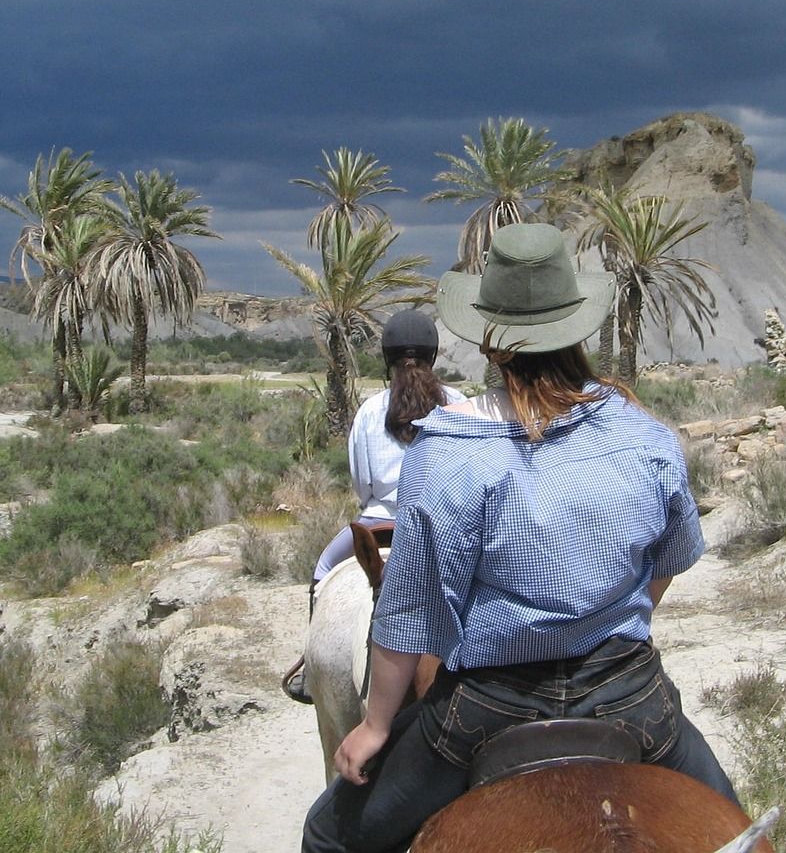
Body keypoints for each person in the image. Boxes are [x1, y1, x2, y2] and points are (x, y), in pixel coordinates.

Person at [302, 223, 737, 853]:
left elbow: (409, 614)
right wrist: (602, 619)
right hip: (630, 693)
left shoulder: (445, 451)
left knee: (327, 837)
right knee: (741, 833)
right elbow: (665, 563)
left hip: (487, 707)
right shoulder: (647, 439)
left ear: (491, 342)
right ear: (578, 326)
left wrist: (373, 725)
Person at [284, 309, 465, 704]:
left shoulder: (370, 411)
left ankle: (311, 676)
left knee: (324, 569)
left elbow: (362, 485)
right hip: (447, 524)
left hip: (381, 523)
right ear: (433, 357)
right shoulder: (460, 403)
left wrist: (379, 505)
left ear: (388, 359)